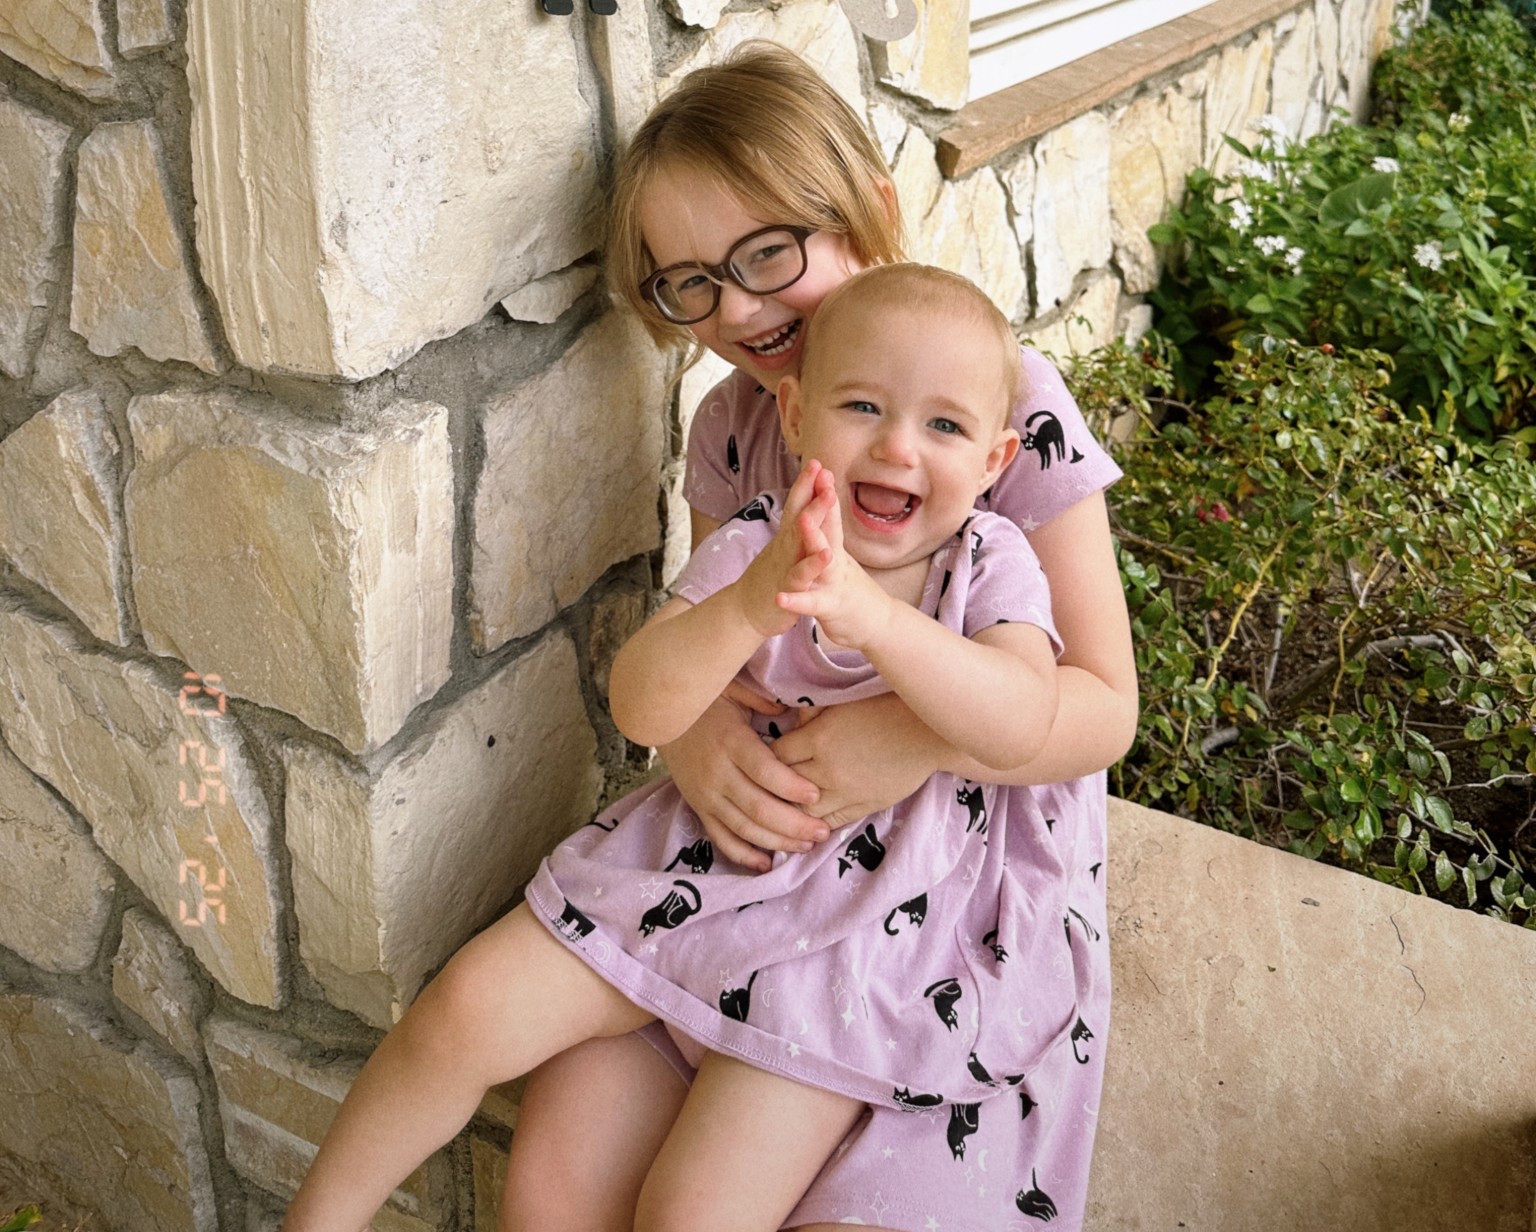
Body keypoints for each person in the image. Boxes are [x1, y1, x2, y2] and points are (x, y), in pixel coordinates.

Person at [281, 266, 1094, 1232]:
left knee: (695, 1210)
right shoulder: (761, 539)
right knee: (467, 1008)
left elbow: (1018, 719)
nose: (897, 447)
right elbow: (643, 705)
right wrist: (754, 602)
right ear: (793, 416)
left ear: (1000, 455)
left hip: (877, 918)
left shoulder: (990, 560)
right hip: (712, 854)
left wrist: (872, 617)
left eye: (944, 428)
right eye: (863, 406)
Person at [500, 44, 1137, 1232]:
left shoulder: (1011, 409)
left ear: (872, 214)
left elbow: (1103, 707)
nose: (737, 307)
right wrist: (693, 746)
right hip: (768, 860)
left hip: (963, 878)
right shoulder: (732, 428)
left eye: (769, 253)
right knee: (554, 1176)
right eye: (691, 284)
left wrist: (916, 735)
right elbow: (723, 643)